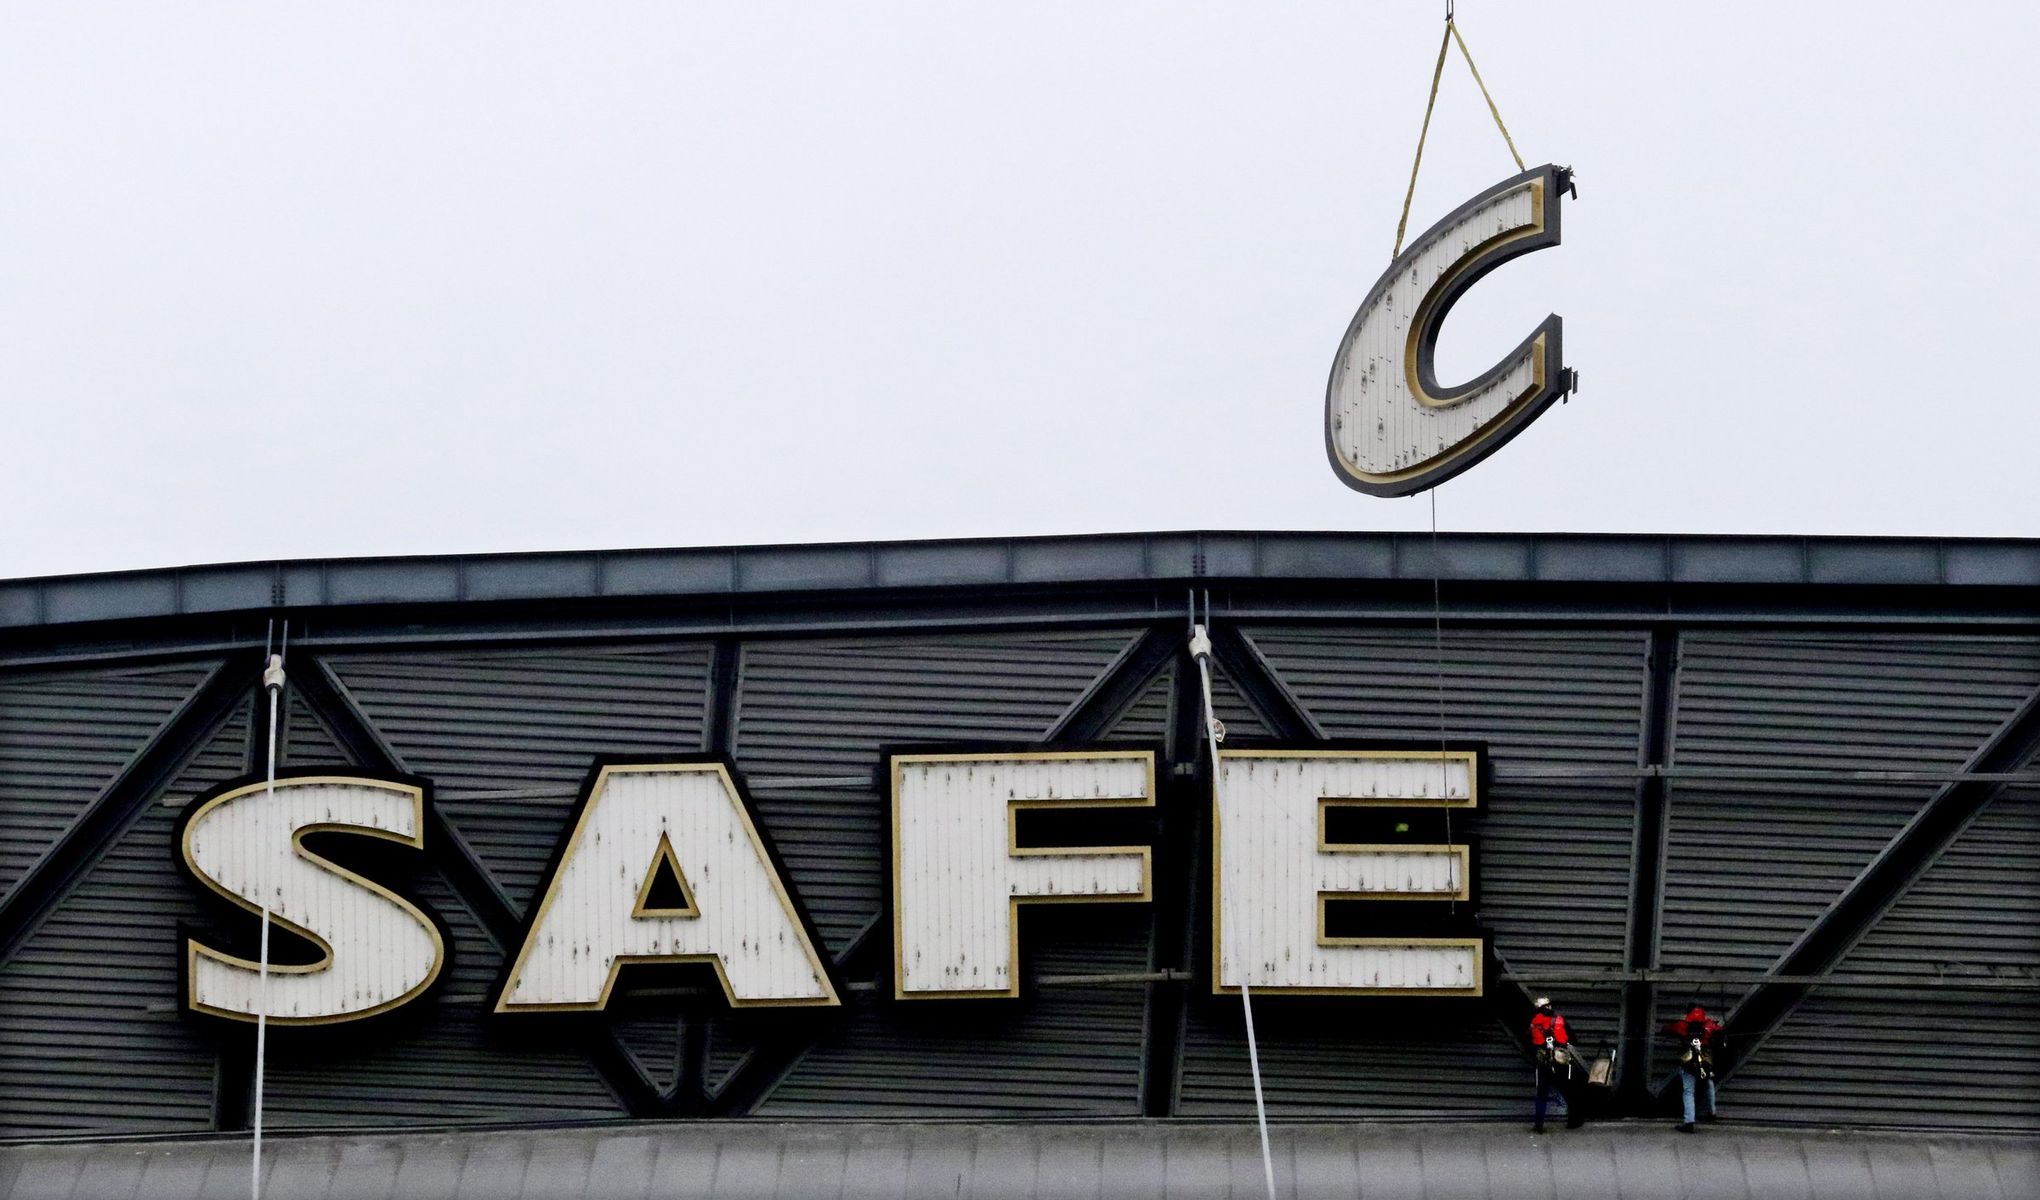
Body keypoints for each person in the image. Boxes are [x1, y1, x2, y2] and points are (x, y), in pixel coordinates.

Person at [1528, 996, 1585, 1132]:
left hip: (1543, 1063)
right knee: (1569, 1090)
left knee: (1541, 1093)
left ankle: (1539, 1124)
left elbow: (1530, 1043)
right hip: (1561, 1062)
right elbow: (1574, 1039)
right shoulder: (1560, 1020)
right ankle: (1573, 1121)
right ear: (1549, 1006)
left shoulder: (1534, 1023)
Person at [1663, 1005, 1722, 1132]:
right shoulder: (1709, 1024)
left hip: (1688, 1060)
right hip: (1704, 1059)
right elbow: (1720, 1030)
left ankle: (1689, 1122)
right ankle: (1712, 1112)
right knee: (1708, 1082)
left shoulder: (1682, 1025)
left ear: (1688, 1013)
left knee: (1688, 1091)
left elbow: (1666, 1029)